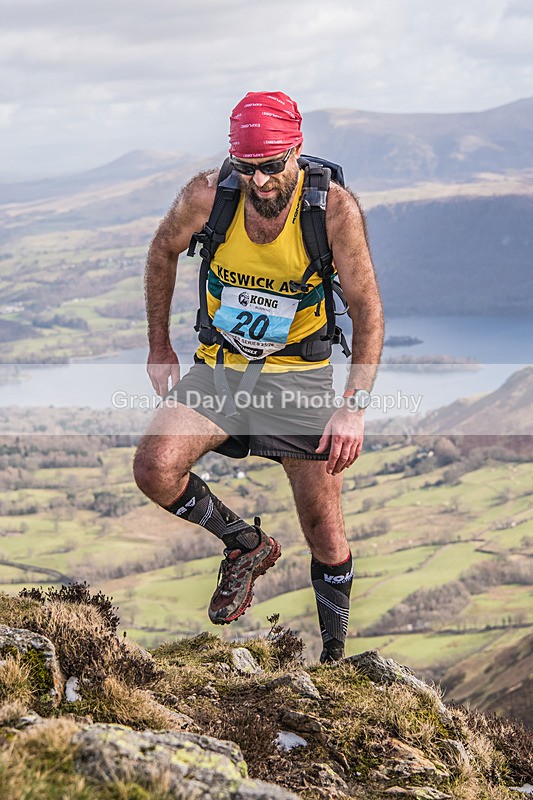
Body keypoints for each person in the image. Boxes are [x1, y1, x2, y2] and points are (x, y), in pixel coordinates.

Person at [133, 91, 384, 662]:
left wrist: (353, 406)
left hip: (299, 379)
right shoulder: (208, 196)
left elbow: (367, 308)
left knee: (324, 531)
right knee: (154, 467)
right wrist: (158, 345)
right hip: (220, 370)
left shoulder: (332, 210)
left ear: (296, 150)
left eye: (272, 165)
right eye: (246, 167)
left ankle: (335, 663)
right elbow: (162, 251)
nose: (261, 181)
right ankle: (245, 544)